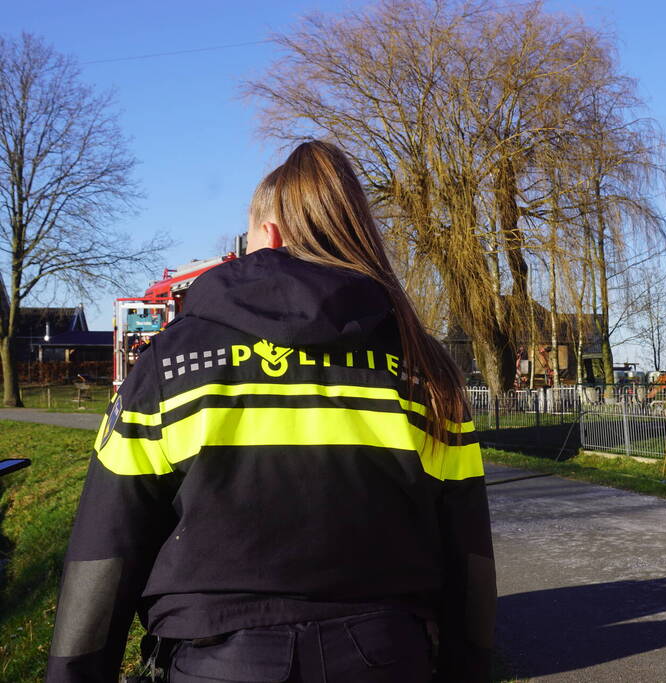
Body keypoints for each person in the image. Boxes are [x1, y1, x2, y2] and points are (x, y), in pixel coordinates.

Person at [45, 141, 496, 682]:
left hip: (215, 662)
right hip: (385, 657)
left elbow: (105, 549)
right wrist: (468, 666)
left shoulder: (169, 363)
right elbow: (469, 551)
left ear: (270, 235)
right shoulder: (424, 367)